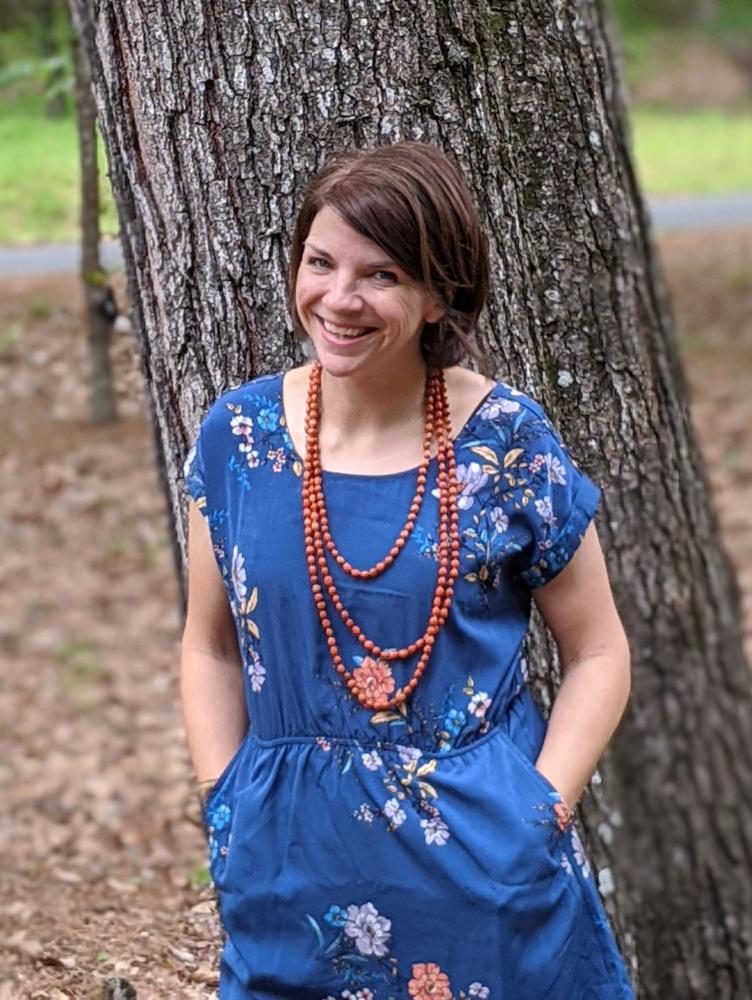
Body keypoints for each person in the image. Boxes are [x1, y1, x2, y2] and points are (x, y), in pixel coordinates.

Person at [180, 140, 635, 999]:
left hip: (486, 878)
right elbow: (207, 645)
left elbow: (601, 652)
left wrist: (538, 816)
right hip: (286, 877)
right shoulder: (240, 438)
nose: (338, 299)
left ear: (437, 297)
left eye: (380, 275)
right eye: (321, 263)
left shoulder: (506, 442)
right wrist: (226, 799)